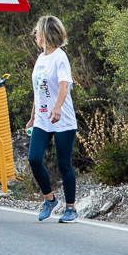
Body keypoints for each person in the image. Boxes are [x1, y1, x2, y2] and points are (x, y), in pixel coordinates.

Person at [27, 16, 79, 223]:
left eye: (38, 32)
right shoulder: (41, 58)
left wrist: (57, 109)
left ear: (46, 34)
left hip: (62, 119)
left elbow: (64, 85)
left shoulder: (60, 57)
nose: (35, 35)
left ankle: (71, 208)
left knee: (64, 164)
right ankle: (49, 199)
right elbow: (39, 90)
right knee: (34, 158)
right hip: (42, 118)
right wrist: (32, 116)